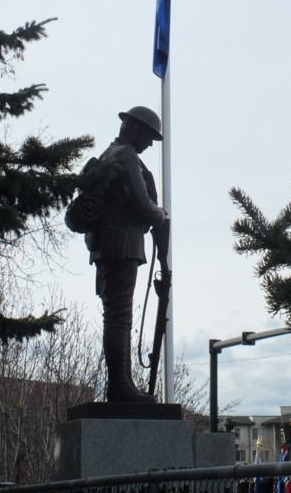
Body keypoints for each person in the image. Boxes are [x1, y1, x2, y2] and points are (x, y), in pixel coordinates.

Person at [85, 106, 168, 403]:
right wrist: (161, 215)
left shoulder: (110, 153)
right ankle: (119, 386)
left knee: (116, 316)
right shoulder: (126, 155)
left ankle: (121, 384)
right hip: (120, 245)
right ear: (134, 128)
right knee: (119, 317)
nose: (148, 145)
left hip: (109, 246)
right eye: (148, 137)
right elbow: (142, 204)